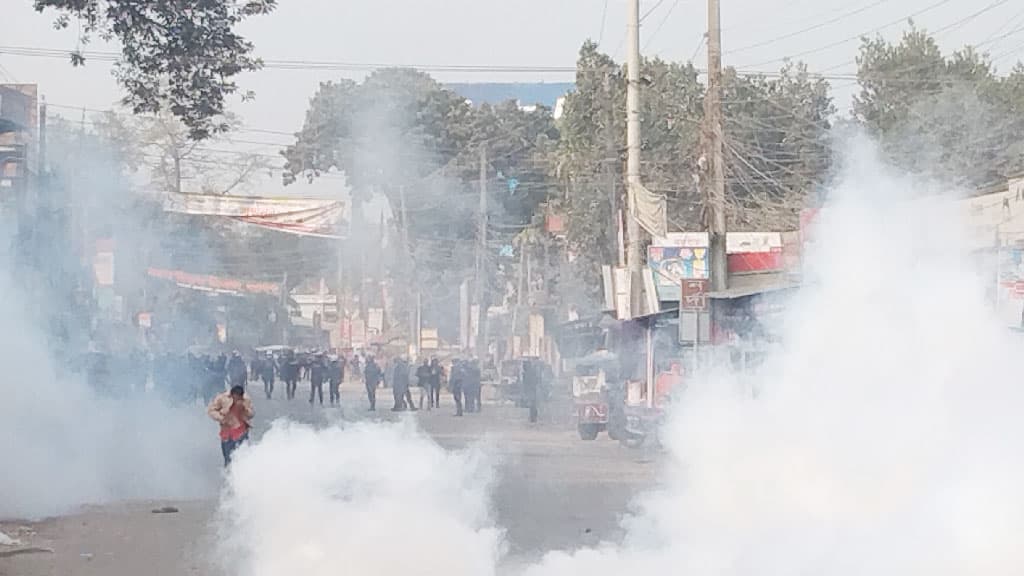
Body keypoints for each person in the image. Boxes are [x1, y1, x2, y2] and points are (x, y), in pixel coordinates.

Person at [207, 385, 254, 467]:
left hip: (241, 431)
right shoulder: (222, 398)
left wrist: (245, 409)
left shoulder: (246, 400)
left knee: (242, 455)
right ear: (231, 395)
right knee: (227, 457)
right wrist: (221, 418)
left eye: (238, 398)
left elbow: (251, 414)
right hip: (227, 432)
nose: (236, 400)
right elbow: (211, 411)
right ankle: (229, 475)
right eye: (235, 398)